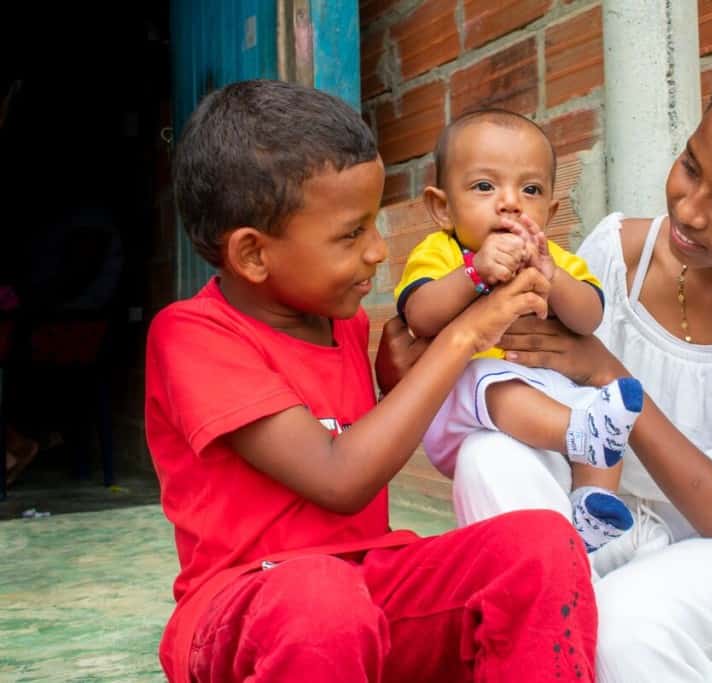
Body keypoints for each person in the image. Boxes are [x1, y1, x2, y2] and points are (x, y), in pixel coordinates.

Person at [377, 46, 712, 682]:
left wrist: (609, 373)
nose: (688, 208)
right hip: (600, 511)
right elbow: (499, 364)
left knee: (618, 635)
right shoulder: (618, 251)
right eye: (690, 165)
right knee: (486, 457)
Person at [145, 80, 597, 683]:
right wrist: (465, 335)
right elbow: (338, 478)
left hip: (370, 581)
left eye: (375, 225)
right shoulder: (192, 336)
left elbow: (342, 432)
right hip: (246, 605)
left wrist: (389, 384)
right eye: (350, 234)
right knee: (321, 598)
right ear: (253, 255)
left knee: (538, 545)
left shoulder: (347, 325)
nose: (379, 252)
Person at [395, 109, 641, 552]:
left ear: (548, 211)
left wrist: (555, 278)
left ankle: (591, 503)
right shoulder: (442, 252)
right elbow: (420, 315)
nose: (510, 202)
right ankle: (580, 434)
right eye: (485, 186)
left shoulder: (555, 258)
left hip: (546, 407)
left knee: (603, 405)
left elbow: (588, 320)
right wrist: (475, 273)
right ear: (442, 207)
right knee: (485, 378)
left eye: (530, 190)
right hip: (466, 409)